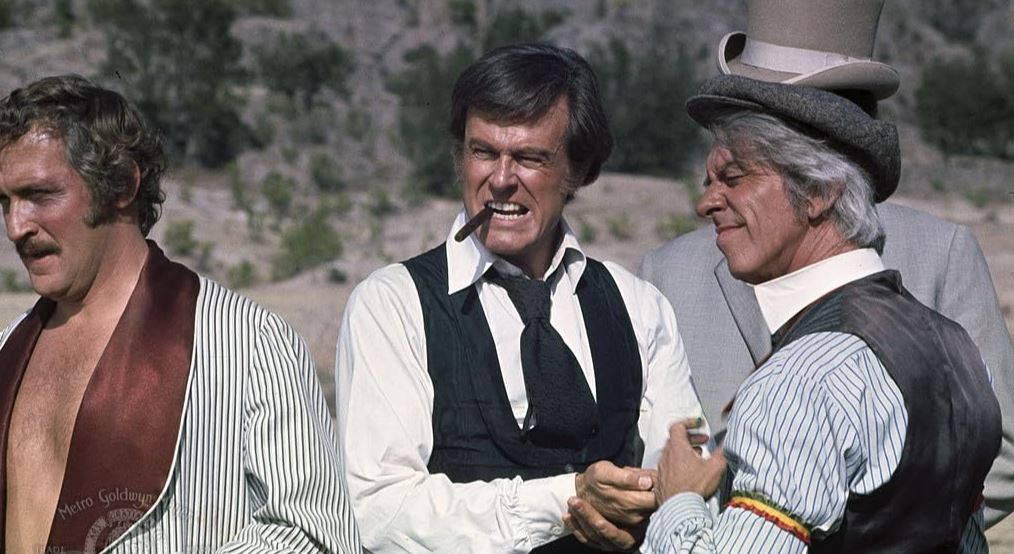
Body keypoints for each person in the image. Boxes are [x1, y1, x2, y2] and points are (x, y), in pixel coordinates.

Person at [639, 0, 1014, 526]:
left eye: (737, 174)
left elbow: (1000, 452)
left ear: (820, 182)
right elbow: (646, 453)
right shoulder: (666, 273)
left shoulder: (940, 252)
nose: (709, 201)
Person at [335, 43, 708, 552]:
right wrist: (567, 500)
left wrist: (657, 495)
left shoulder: (638, 307)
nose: (501, 180)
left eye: (531, 158)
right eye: (483, 152)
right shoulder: (393, 307)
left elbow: (688, 475)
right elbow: (379, 511)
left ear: (579, 170)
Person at [0, 75, 361, 553]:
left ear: (122, 184)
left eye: (40, 195)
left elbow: (315, 535)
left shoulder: (247, 346)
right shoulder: (8, 347)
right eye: (5, 202)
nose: (15, 227)